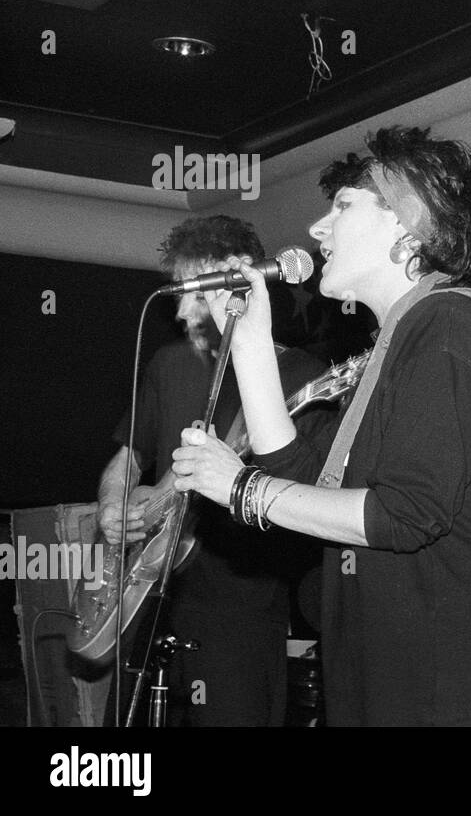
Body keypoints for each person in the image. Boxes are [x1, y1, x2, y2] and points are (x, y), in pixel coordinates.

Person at [171, 127, 471, 726]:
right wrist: (248, 346)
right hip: (391, 672)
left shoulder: (449, 328)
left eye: (343, 207)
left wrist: (240, 489)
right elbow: (302, 474)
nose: (319, 230)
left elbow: (404, 514)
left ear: (410, 225)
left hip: (446, 681)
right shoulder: (395, 344)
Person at [97, 215, 324, 726]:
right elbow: (128, 455)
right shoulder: (168, 363)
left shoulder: (299, 374)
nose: (179, 309)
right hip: (148, 594)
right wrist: (114, 502)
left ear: (236, 280)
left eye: (193, 291)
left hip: (237, 604)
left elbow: (304, 488)